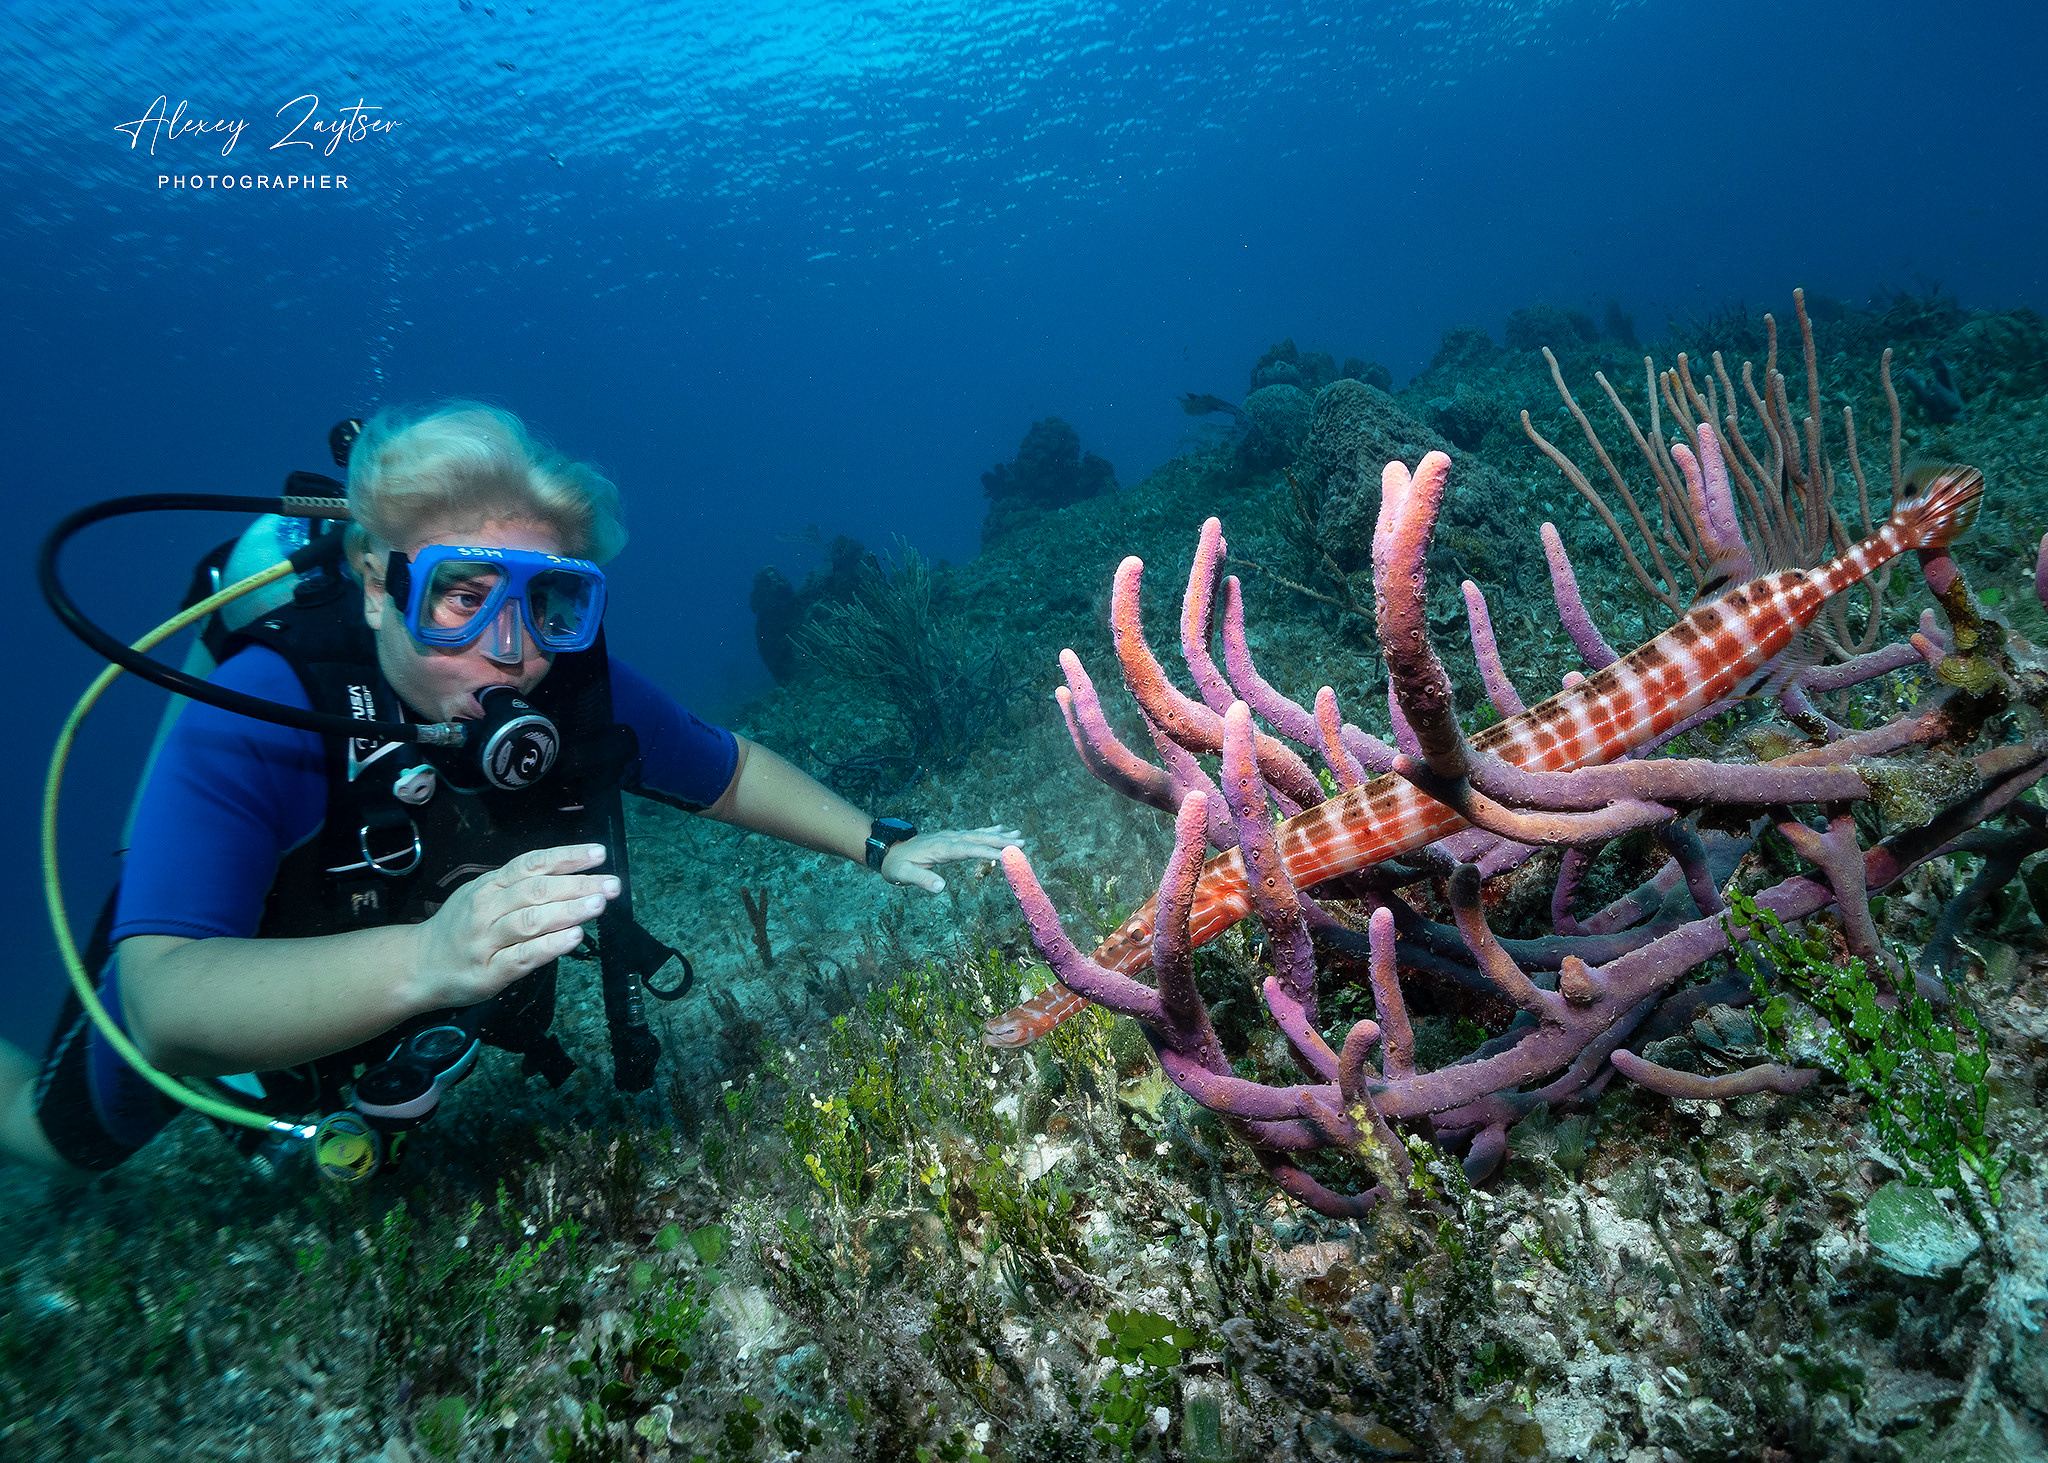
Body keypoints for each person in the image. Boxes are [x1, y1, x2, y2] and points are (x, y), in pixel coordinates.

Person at [1, 402, 1020, 1181]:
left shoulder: (573, 685)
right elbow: (165, 997)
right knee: (63, 1138)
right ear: (373, 581)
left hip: (383, 1022)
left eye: (549, 601)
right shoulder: (257, 708)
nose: (512, 647)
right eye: (460, 593)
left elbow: (722, 766)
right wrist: (430, 956)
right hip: (236, 983)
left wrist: (877, 842)